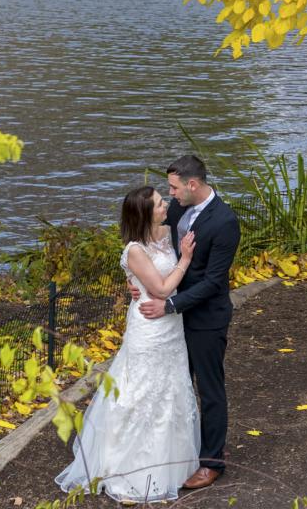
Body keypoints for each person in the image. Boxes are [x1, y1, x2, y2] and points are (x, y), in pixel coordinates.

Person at [56, 186, 200, 503]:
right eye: (160, 203)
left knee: (170, 389)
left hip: (172, 328)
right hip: (149, 328)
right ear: (145, 214)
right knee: (142, 391)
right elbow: (161, 289)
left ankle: (172, 463)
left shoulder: (168, 232)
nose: (166, 205)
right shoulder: (135, 249)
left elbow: (149, 278)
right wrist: (186, 260)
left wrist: (132, 282)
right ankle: (130, 466)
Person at [138, 154, 241, 491]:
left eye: (174, 188)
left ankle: (212, 462)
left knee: (209, 390)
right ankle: (183, 449)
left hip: (206, 319)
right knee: (177, 386)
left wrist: (169, 305)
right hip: (172, 321)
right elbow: (153, 248)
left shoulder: (225, 222)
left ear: (192, 184)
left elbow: (213, 282)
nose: (170, 194)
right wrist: (138, 281)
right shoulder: (179, 208)